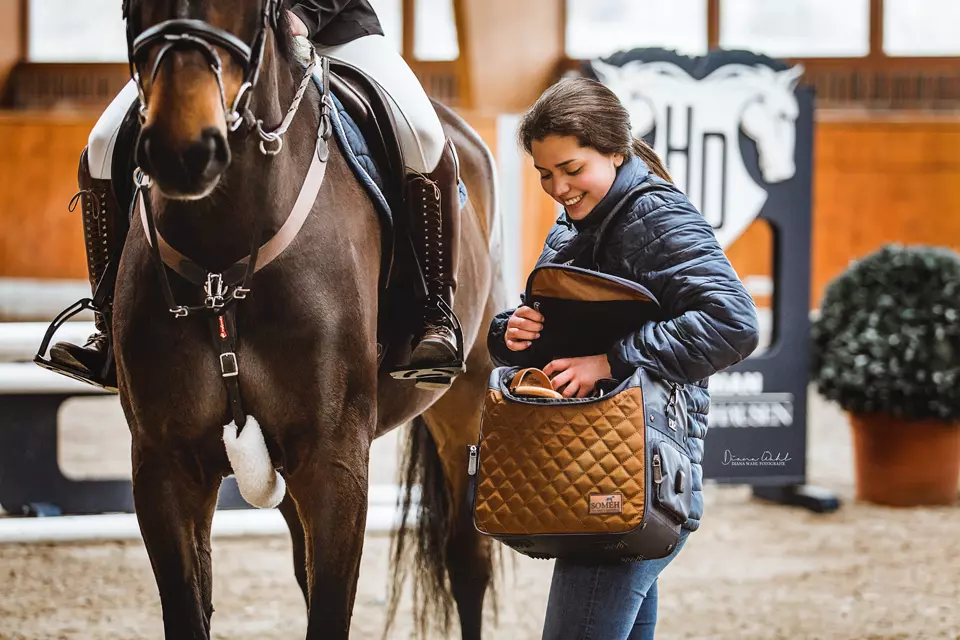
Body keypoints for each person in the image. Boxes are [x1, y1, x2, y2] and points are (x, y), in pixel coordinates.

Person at [47, 0, 463, 388]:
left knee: (423, 136)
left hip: (335, 33)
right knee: (102, 144)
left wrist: (304, 12)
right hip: (221, 37)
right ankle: (107, 330)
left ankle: (436, 316)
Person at [487, 77, 760, 639]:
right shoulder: (576, 226)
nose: (558, 187)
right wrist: (512, 332)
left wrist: (610, 362)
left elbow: (734, 324)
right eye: (544, 174)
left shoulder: (656, 216)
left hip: (635, 474)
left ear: (614, 150)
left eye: (571, 168)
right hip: (600, 465)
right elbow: (562, 330)